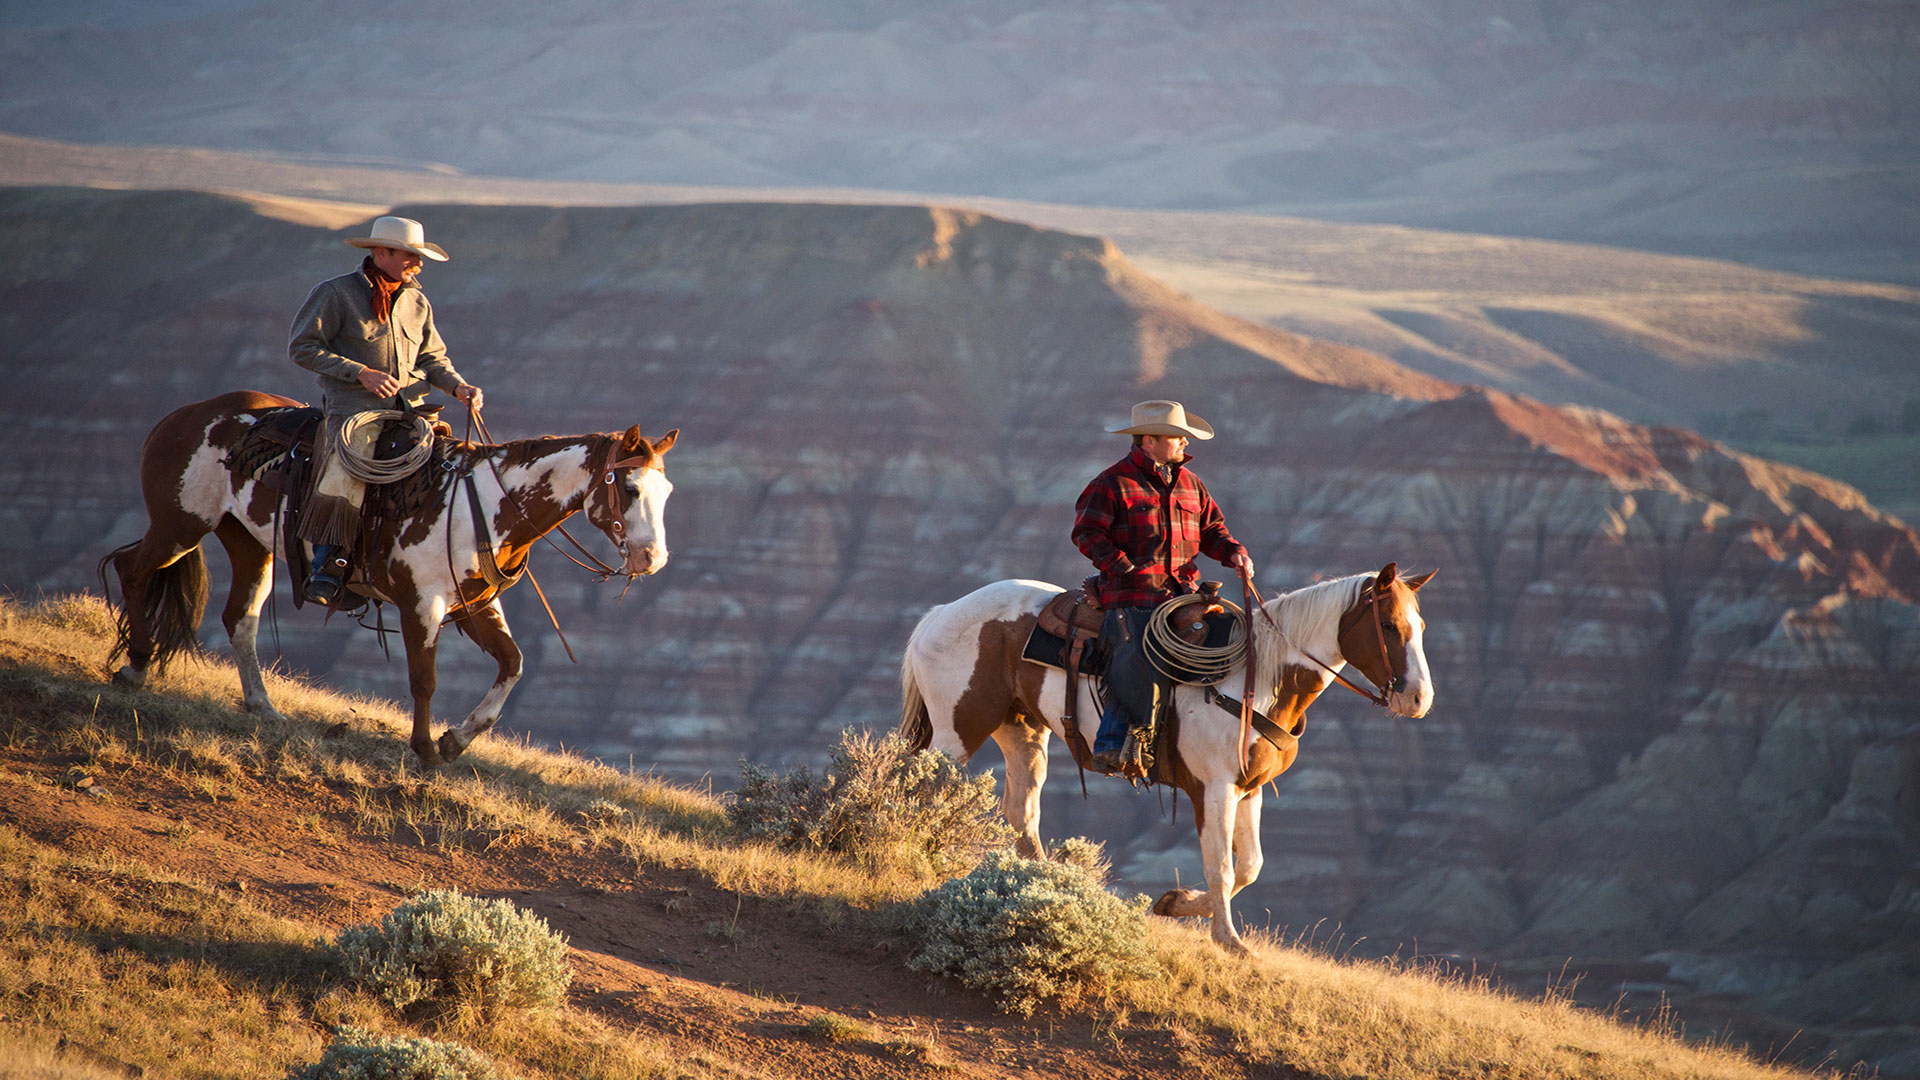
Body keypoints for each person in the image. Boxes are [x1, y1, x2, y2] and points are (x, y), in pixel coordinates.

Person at [289, 215, 483, 604]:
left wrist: (458, 385)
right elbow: (302, 348)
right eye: (411, 255)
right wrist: (360, 373)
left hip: (412, 410)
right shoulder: (335, 294)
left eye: (418, 255)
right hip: (355, 410)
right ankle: (328, 566)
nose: (418, 263)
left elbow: (432, 358)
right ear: (382, 253)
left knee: (450, 466)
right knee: (350, 469)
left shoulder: (416, 301)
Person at [1072, 400, 1254, 776]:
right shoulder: (1111, 483)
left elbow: (1212, 531)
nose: (1186, 444)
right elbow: (1087, 533)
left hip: (1184, 594)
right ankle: (1112, 744)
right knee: (1136, 653)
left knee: (1233, 643)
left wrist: (1234, 553)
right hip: (1131, 595)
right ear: (1149, 440)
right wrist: (1122, 567)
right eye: (1178, 437)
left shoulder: (1191, 484)